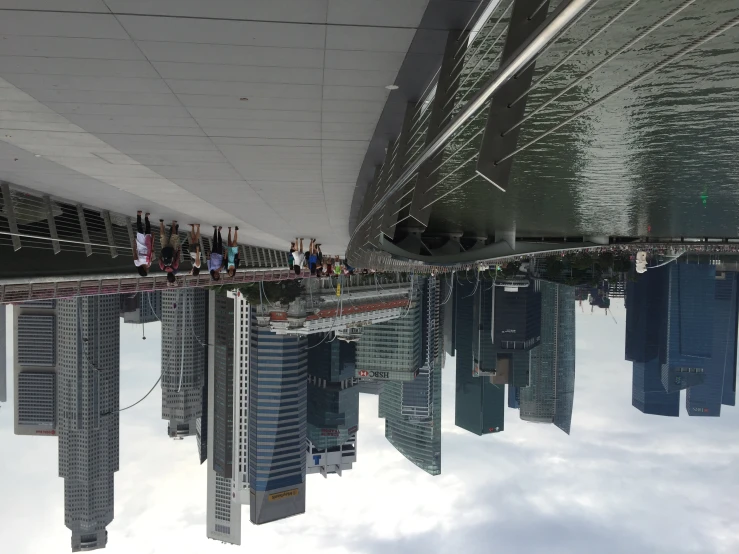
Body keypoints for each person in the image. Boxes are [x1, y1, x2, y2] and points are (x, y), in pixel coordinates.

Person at [158, 220, 180, 285]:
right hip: (164, 249)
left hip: (172, 249)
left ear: (173, 275)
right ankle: (161, 223)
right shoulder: (162, 267)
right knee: (162, 236)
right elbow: (159, 259)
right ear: (167, 276)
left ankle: (173, 223)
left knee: (174, 235)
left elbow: (178, 257)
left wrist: (179, 250)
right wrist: (162, 252)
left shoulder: (175, 267)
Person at [132, 211, 153, 276]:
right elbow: (151, 254)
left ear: (144, 270)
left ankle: (139, 215)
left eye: (147, 271)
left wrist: (134, 245)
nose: (148, 270)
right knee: (148, 230)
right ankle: (146, 217)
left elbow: (134, 253)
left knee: (140, 230)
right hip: (148, 246)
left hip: (140, 245)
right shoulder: (149, 264)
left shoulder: (137, 263)